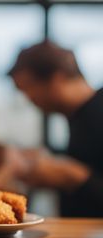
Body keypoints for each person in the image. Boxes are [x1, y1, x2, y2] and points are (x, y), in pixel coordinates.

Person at [8, 40, 103, 217]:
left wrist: (75, 177)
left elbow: (81, 175)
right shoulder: (78, 116)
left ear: (57, 78)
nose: (29, 98)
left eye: (29, 88)